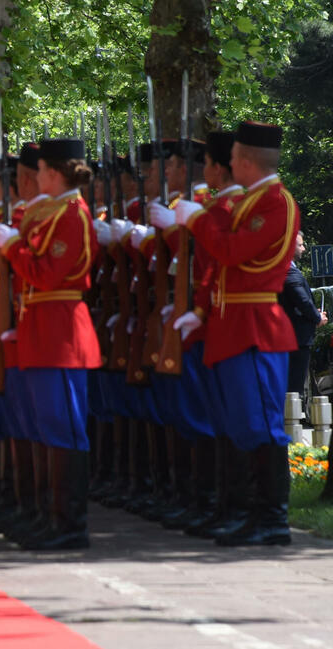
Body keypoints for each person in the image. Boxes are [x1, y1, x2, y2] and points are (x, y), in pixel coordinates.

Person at [172, 121, 299, 546]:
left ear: (244, 161)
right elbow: (222, 268)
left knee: (261, 425)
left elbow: (231, 252)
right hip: (233, 323)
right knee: (238, 424)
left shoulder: (276, 202)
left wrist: (197, 221)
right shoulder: (252, 201)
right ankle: (246, 513)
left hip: (255, 328)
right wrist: (201, 310)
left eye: (232, 157)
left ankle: (272, 518)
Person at [0, 137, 101, 550]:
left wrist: (12, 247)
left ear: (54, 173)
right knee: (45, 425)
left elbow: (47, 274)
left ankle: (70, 523)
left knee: (63, 426)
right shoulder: (51, 212)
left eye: (40, 171)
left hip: (61, 328)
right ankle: (50, 516)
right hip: (40, 323)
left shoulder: (73, 215)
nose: (35, 178)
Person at [280, 231, 327, 396]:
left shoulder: (289, 269)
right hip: (296, 338)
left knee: (298, 386)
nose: (304, 249)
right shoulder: (288, 270)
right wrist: (317, 317)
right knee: (295, 388)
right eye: (300, 245)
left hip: (294, 337)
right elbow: (302, 301)